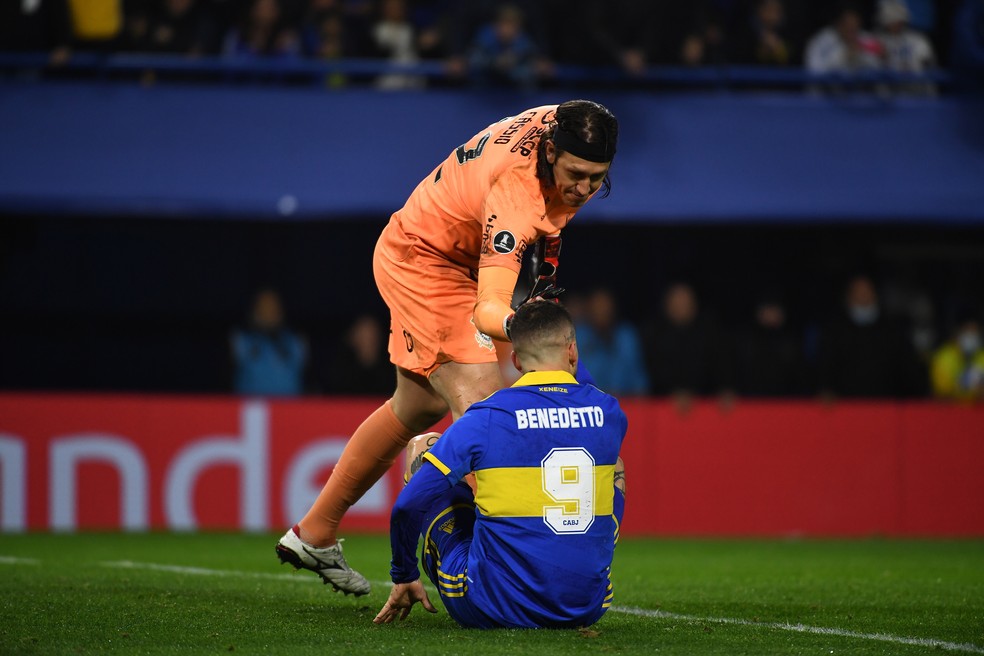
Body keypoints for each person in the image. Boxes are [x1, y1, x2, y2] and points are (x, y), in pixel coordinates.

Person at [274, 100, 619, 595]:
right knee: (480, 407)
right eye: (577, 174)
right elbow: (487, 311)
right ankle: (521, 575)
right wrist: (535, 329)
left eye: (598, 178)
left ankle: (316, 531)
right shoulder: (515, 196)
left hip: (437, 249)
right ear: (548, 151)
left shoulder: (566, 122)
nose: (585, 189)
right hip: (427, 262)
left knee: (416, 406)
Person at [373, 300, 627, 629]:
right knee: (616, 468)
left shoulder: (488, 416)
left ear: (517, 360)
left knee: (425, 448)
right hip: (586, 606)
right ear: (573, 351)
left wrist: (403, 573)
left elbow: (407, 507)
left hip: (491, 605)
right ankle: (584, 571)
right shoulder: (609, 413)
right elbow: (583, 386)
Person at [231, 287, 308, 396]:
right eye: (263, 307)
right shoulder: (241, 340)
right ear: (254, 311)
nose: (268, 312)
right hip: (253, 409)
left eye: (272, 307)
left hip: (289, 408)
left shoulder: (296, 341)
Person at [574, 287, 649, 395]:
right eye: (598, 307)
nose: (603, 312)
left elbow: (639, 379)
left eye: (606, 307)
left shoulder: (627, 336)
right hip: (589, 403)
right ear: (589, 310)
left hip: (626, 403)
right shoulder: (578, 337)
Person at [931, 315, 984, 401]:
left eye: (974, 332)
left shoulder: (982, 356)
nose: (971, 336)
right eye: (967, 331)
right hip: (952, 409)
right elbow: (942, 390)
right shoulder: (945, 357)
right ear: (958, 333)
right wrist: (968, 385)